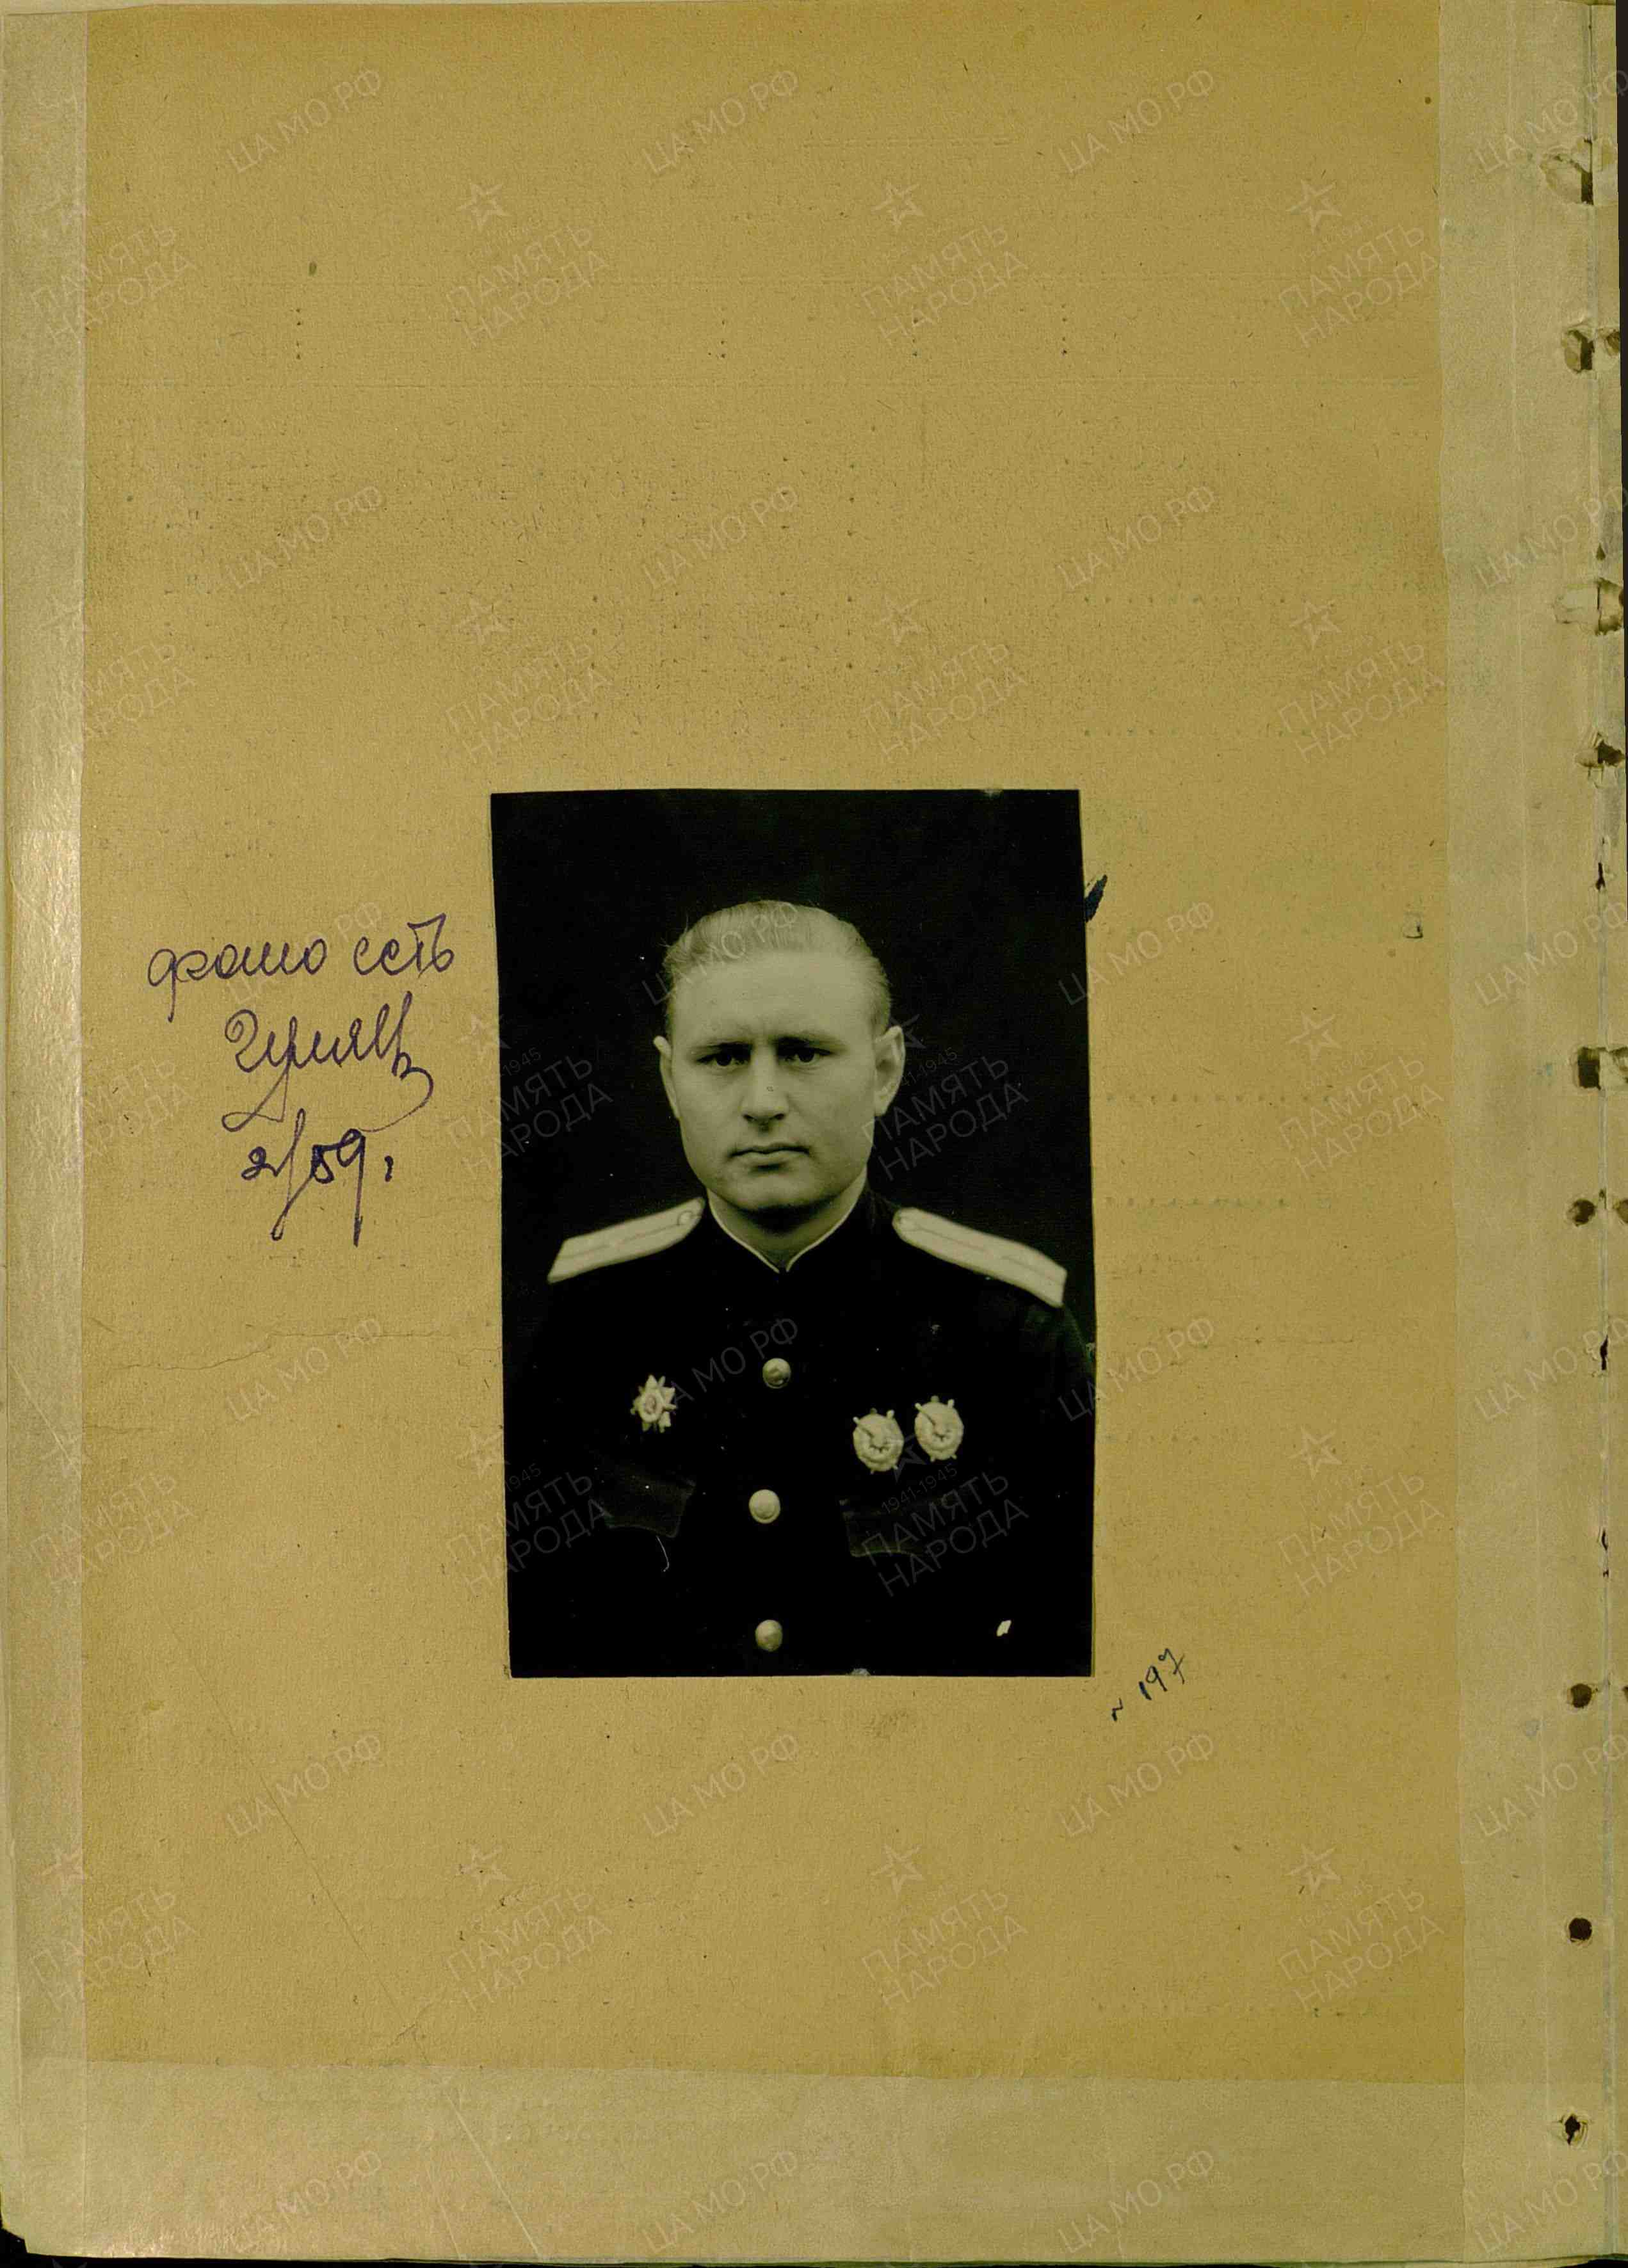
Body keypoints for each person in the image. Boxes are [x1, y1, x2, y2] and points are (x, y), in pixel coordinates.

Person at [505, 899, 1094, 1677]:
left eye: (803, 1053)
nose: (762, 1103)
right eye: (722, 1058)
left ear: (884, 1071)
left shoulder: (1007, 1333)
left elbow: (1074, 1646)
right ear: (669, 1079)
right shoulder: (588, 1324)